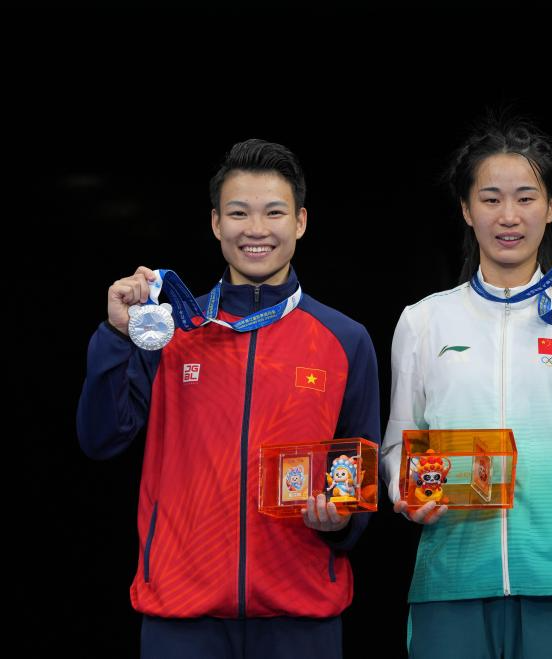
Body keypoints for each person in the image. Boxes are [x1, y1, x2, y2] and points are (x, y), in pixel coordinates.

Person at [76, 139, 380, 659]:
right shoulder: (172, 330)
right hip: (181, 616)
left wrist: (343, 522)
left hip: (300, 615)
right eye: (239, 213)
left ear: (301, 222)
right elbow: (100, 439)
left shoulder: (345, 339)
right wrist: (116, 335)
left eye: (274, 212)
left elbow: (360, 465)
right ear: (217, 223)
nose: (256, 229)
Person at [380, 114, 552, 659]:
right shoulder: (424, 320)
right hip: (452, 572)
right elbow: (400, 443)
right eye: (491, 198)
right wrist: (406, 494)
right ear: (466, 209)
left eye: (526, 198)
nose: (509, 216)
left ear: (550, 208)